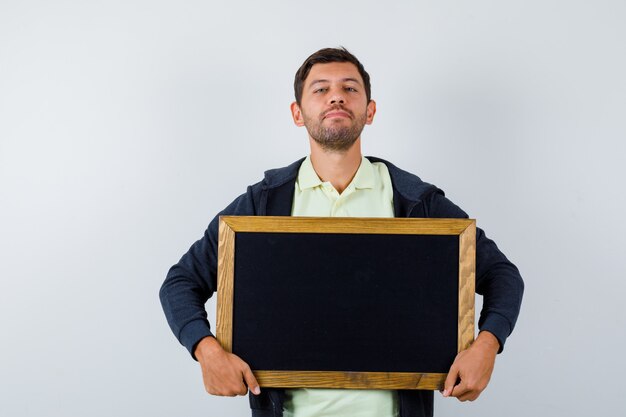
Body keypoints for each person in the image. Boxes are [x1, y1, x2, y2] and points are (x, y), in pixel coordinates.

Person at [160, 47, 524, 417]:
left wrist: (487, 345)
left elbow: (501, 275)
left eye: (350, 88)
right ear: (297, 114)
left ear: (370, 110)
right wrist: (205, 349)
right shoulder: (261, 204)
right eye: (320, 89)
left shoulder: (416, 203)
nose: (336, 96)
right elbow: (181, 282)